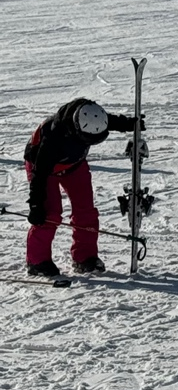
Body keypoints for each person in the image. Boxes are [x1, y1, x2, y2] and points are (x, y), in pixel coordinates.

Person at [23, 99, 142, 276]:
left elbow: (108, 120)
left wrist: (128, 124)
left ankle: (85, 257)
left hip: (74, 165)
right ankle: (37, 261)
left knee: (86, 211)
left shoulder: (91, 114)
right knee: (49, 214)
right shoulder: (53, 140)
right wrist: (35, 205)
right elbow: (39, 176)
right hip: (43, 169)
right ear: (77, 129)